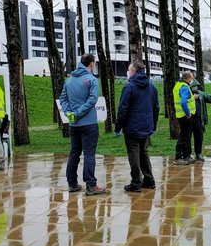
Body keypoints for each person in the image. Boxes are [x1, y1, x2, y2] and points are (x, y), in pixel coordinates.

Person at [60, 54, 106, 195]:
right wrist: (79, 113)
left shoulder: (69, 81)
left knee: (74, 153)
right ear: (91, 64)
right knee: (89, 154)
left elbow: (63, 99)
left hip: (74, 125)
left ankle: (72, 183)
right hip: (89, 123)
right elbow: (92, 100)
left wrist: (70, 113)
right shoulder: (92, 80)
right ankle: (91, 185)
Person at [115, 61, 159, 192]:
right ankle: (149, 180)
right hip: (146, 126)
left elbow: (123, 109)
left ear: (134, 71)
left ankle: (136, 182)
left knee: (133, 153)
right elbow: (156, 108)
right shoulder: (152, 87)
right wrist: (153, 126)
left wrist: (118, 127)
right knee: (144, 152)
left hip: (132, 126)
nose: (128, 72)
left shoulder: (129, 87)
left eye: (129, 70)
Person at [173, 71, 196, 165]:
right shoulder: (184, 87)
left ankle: (186, 156)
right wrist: (188, 113)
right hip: (185, 116)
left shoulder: (178, 85)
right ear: (188, 78)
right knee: (183, 136)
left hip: (181, 115)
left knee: (186, 136)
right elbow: (183, 102)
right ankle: (178, 157)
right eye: (192, 78)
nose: (192, 80)